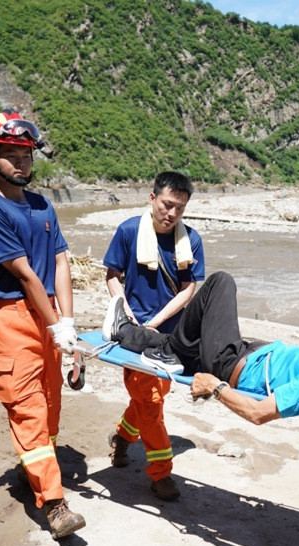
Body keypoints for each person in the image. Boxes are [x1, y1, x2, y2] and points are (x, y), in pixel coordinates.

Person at [0, 109, 85, 540]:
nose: (21, 162)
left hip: (48, 313)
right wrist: (58, 326)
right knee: (29, 409)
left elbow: (59, 262)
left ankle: (33, 468)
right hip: (12, 318)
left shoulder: (42, 205)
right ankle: (55, 505)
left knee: (51, 404)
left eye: (26, 154)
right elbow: (25, 275)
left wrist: (66, 321)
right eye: (11, 154)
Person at [107, 271, 299, 426]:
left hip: (229, 364)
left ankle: (160, 347)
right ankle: (125, 332)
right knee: (182, 345)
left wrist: (214, 387)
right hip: (245, 354)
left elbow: (259, 413)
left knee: (221, 282)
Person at [101, 171, 205, 501]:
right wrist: (125, 308)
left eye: (180, 208)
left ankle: (121, 438)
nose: (172, 213)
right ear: (152, 199)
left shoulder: (192, 240)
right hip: (132, 333)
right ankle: (160, 474)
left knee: (150, 398)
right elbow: (112, 274)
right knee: (151, 401)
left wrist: (157, 322)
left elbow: (189, 288)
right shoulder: (130, 230)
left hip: (170, 335)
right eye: (167, 204)